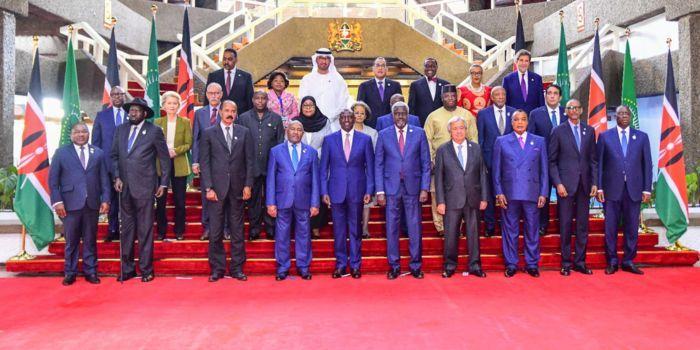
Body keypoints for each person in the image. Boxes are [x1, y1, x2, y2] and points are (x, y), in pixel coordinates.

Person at [111, 98, 170, 282]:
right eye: (131, 110)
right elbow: (114, 156)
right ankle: (127, 269)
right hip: (124, 188)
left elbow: (165, 159)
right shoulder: (120, 130)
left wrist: (163, 184)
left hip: (145, 187)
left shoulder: (154, 131)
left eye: (137, 110)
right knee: (126, 231)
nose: (133, 113)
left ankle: (146, 269)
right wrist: (116, 177)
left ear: (145, 113)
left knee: (145, 230)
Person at [49, 123, 111, 286]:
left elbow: (104, 178)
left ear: (88, 134)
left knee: (90, 239)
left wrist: (105, 199)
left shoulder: (98, 153)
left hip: (92, 203)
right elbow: (53, 181)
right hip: (69, 204)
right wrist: (57, 202)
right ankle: (70, 272)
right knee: (71, 241)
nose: (81, 134)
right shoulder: (61, 153)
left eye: (84, 131)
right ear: (71, 135)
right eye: (77, 132)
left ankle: (91, 271)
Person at [200, 100, 254, 282]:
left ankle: (237, 268)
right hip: (216, 190)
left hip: (238, 189)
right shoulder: (209, 133)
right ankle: (217, 269)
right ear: (220, 112)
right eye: (227, 110)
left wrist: (248, 185)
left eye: (233, 110)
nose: (230, 113)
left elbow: (250, 161)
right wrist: (208, 187)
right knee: (215, 232)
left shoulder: (244, 132)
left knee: (238, 231)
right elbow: (205, 163)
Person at [375, 102, 431, 279]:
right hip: (391, 188)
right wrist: (379, 191)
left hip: (413, 187)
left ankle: (415, 265)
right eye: (397, 114)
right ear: (393, 116)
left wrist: (424, 188)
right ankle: (394, 266)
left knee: (414, 227)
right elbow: (379, 164)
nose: (400, 117)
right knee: (392, 228)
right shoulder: (383, 135)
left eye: (403, 114)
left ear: (408, 115)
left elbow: (425, 164)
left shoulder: (419, 133)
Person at [597, 105, 652, 275]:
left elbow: (647, 165)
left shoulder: (642, 137)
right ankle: (612, 261)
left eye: (626, 113)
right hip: (611, 189)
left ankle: (628, 260)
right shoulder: (605, 137)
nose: (623, 116)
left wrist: (647, 189)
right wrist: (599, 187)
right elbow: (599, 164)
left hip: (634, 189)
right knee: (610, 228)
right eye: (620, 113)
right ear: (615, 116)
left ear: (630, 116)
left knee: (631, 227)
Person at [492, 110, 548, 278]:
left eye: (523, 119)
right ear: (511, 123)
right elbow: (496, 170)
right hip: (510, 194)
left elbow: (544, 170)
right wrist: (498, 192)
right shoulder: (501, 141)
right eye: (516, 119)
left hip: (532, 192)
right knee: (510, 230)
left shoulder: (539, 141)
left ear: (527, 122)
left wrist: (543, 192)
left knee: (532, 229)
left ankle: (531, 263)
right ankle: (511, 263)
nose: (520, 122)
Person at [321, 109, 375, 279]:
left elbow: (371, 168)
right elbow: (323, 169)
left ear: (354, 119)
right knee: (338, 231)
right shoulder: (329, 140)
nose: (346, 120)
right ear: (339, 120)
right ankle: (341, 265)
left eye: (349, 117)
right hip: (335, 191)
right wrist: (324, 191)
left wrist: (369, 190)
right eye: (343, 117)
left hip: (357, 191)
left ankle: (356, 265)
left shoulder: (365, 139)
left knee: (355, 230)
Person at [434, 117, 489, 278]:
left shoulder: (476, 148)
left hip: (473, 198)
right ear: (450, 131)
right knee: (450, 235)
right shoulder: (443, 150)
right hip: (452, 199)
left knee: (474, 234)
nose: (459, 131)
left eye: (461, 128)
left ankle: (475, 265)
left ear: (466, 130)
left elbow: (482, 175)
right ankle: (449, 266)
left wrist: (484, 198)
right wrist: (441, 201)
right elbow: (438, 179)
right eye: (455, 128)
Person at [548, 99, 598, 276]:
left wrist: (594, 183)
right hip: (565, 187)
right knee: (566, 225)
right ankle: (566, 263)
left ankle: (580, 262)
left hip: (585, 186)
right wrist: (558, 184)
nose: (573, 110)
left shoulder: (590, 131)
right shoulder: (558, 131)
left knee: (583, 226)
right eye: (570, 108)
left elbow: (593, 160)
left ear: (581, 110)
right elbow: (552, 161)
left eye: (576, 107)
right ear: (566, 111)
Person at [266, 120, 320, 281]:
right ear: (286, 131)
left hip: (303, 200)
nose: (296, 132)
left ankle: (303, 267)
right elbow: (270, 179)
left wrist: (315, 203)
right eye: (293, 129)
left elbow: (315, 180)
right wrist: (270, 202)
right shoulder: (276, 151)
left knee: (304, 234)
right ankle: (283, 267)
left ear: (302, 133)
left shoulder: (311, 152)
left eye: (299, 130)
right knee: (282, 235)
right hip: (282, 200)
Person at [424, 85, 478, 236]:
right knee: (437, 193)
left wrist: (473, 161)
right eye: (446, 96)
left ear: (457, 97)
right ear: (442, 98)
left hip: (463, 162)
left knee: (461, 193)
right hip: (439, 162)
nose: (450, 99)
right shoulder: (433, 116)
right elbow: (426, 139)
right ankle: (441, 227)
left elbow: (474, 137)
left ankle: (458, 227)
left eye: (452, 96)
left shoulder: (466, 115)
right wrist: (430, 160)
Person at [237, 90, 285, 240]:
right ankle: (254, 229)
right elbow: (239, 142)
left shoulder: (276, 119)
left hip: (271, 166)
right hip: (251, 167)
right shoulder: (243, 118)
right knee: (253, 201)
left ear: (267, 100)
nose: (260, 101)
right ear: (252, 100)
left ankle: (271, 228)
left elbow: (280, 143)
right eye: (257, 98)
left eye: (263, 98)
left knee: (271, 198)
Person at [528, 84, 567, 236]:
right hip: (542, 162)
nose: (552, 96)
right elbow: (531, 138)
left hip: (563, 163)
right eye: (549, 93)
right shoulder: (535, 114)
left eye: (555, 93)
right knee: (542, 194)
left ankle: (562, 224)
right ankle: (542, 225)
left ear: (560, 97)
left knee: (563, 196)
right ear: (545, 96)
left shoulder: (567, 113)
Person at [193, 82, 230, 241]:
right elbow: (196, 138)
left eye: (217, 93)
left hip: (226, 162)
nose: (214, 96)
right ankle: (207, 227)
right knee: (206, 196)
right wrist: (195, 161)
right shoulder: (200, 113)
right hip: (206, 162)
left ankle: (226, 229)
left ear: (221, 94)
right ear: (206, 94)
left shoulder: (228, 110)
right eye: (211, 93)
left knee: (226, 197)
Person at [476, 86, 515, 237]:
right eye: (497, 94)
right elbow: (481, 139)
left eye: (503, 94)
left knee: (509, 193)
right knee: (490, 193)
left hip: (509, 162)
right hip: (489, 161)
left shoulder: (514, 112)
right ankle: (490, 225)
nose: (500, 97)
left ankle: (508, 224)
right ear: (491, 97)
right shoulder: (483, 114)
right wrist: (482, 162)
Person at [154, 91, 192, 241]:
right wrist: (164, 152)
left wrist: (175, 151)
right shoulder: (157, 122)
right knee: (160, 201)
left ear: (179, 106)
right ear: (163, 105)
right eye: (169, 103)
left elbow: (188, 143)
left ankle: (179, 230)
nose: (172, 106)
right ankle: (161, 231)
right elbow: (154, 143)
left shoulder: (185, 122)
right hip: (160, 164)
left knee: (180, 201)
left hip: (179, 162)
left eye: (175, 103)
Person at [92, 85, 126, 242]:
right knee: (111, 199)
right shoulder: (101, 116)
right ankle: (112, 229)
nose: (117, 96)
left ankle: (127, 230)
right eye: (114, 94)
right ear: (110, 97)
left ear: (124, 96)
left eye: (120, 94)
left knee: (126, 200)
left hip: (128, 165)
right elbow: (96, 142)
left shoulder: (131, 115)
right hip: (106, 165)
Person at [298, 96, 334, 239]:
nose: (308, 108)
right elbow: (289, 139)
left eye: (311, 106)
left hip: (319, 162)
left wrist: (315, 154)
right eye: (305, 106)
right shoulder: (296, 121)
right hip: (299, 164)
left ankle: (316, 226)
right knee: (302, 195)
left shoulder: (324, 121)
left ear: (315, 107)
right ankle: (303, 225)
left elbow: (329, 141)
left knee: (318, 194)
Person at [298, 48, 352, 128]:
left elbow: (343, 102)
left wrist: (330, 117)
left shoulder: (338, 79)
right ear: (316, 60)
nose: (324, 61)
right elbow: (302, 101)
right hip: (312, 123)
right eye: (321, 58)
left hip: (333, 123)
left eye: (327, 58)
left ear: (330, 61)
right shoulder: (307, 79)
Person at [351, 101, 378, 238]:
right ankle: (353, 228)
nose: (359, 115)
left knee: (366, 202)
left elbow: (375, 152)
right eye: (356, 113)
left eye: (362, 113)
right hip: (352, 171)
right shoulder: (347, 131)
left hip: (367, 170)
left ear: (366, 115)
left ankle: (365, 228)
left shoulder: (372, 132)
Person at [356, 57, 402, 128]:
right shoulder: (364, 86)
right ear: (373, 69)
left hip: (390, 126)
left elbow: (399, 107)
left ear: (387, 69)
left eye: (383, 65)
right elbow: (360, 108)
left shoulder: (395, 86)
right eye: (377, 65)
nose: (380, 68)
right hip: (370, 126)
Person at [204, 48, 254, 113]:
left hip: (240, 117)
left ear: (236, 60)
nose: (226, 62)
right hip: (218, 116)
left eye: (230, 59)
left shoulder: (246, 77)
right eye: (224, 59)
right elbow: (207, 98)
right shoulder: (213, 76)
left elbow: (250, 101)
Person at [408, 58, 450, 126]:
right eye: (427, 66)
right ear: (424, 67)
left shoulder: (445, 84)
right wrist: (414, 125)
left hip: (442, 124)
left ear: (436, 67)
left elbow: (448, 106)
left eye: (433, 66)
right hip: (422, 124)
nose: (430, 68)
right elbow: (411, 108)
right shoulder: (415, 85)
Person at [502, 49, 544, 114]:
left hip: (533, 118)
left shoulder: (537, 78)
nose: (523, 63)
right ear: (516, 62)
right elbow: (505, 101)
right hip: (515, 118)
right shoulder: (507, 79)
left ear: (529, 63)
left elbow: (541, 101)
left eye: (526, 61)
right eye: (521, 60)